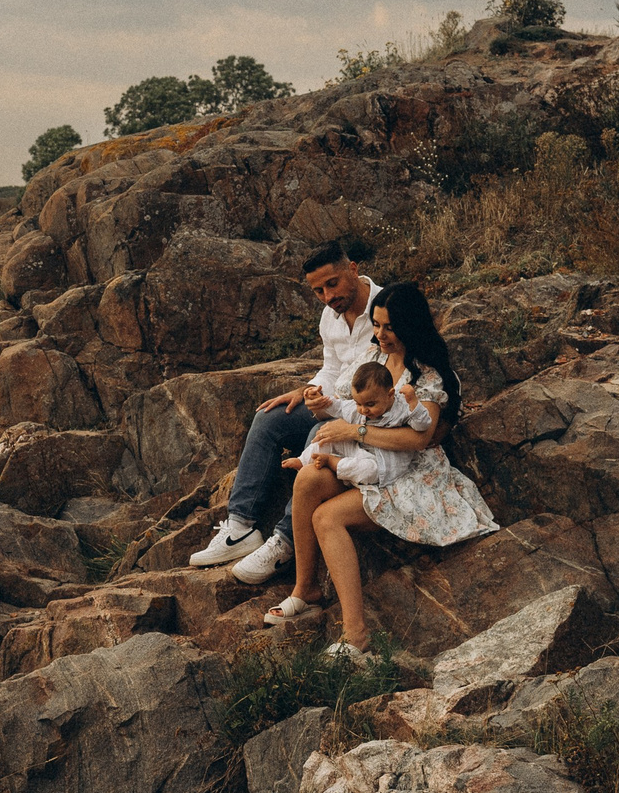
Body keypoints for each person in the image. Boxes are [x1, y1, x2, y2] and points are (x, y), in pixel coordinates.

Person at [260, 281, 497, 654]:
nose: (380, 334)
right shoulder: (372, 358)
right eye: (376, 324)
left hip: (406, 471)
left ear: (410, 325)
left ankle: (356, 637)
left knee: (327, 517)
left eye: (389, 326)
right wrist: (318, 402)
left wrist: (356, 429)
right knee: (307, 478)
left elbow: (419, 438)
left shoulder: (427, 375)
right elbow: (343, 403)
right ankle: (305, 589)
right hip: (360, 457)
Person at [188, 242, 379, 582]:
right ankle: (240, 528)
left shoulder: (384, 308)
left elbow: (389, 373)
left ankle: (285, 541)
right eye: (318, 290)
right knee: (269, 418)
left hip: (366, 410)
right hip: (331, 401)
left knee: (317, 434)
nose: (326, 296)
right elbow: (331, 367)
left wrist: (334, 406)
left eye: (332, 284)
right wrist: (308, 390)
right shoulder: (330, 316)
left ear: (352, 270)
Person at [282, 360, 425, 489]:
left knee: (369, 471)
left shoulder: (402, 408)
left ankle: (333, 462)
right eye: (358, 403)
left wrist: (414, 404)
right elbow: (338, 406)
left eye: (370, 404)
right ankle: (303, 460)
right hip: (358, 449)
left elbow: (422, 426)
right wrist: (320, 399)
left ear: (390, 394)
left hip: (381, 460)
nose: (363, 410)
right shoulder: (359, 408)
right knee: (326, 440)